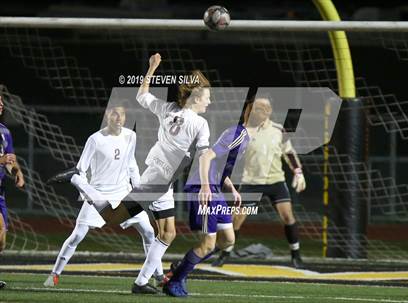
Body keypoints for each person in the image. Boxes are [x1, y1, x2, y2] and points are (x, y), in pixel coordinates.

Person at [86, 53, 212, 295]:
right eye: (207, 97)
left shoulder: (168, 108)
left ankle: (141, 283)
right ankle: (81, 182)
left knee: (167, 233)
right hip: (156, 183)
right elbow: (204, 156)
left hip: (160, 181)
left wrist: (152, 67)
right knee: (110, 219)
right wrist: (206, 186)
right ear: (196, 97)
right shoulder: (199, 124)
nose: (209, 102)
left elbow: (141, 95)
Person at [43, 103, 165, 287]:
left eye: (122, 115)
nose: (119, 118)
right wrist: (86, 193)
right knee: (77, 235)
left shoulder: (130, 136)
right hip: (99, 193)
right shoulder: (95, 139)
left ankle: (159, 276)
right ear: (107, 116)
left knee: (149, 232)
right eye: (115, 114)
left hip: (124, 193)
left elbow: (131, 164)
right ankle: (54, 274)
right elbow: (80, 169)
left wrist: (139, 190)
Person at [163, 106, 254, 297]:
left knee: (228, 240)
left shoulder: (245, 138)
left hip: (216, 190)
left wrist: (231, 188)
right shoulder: (238, 133)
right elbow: (206, 157)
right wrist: (205, 186)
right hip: (205, 190)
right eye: (259, 109)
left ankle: (181, 267)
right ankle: (174, 281)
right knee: (208, 244)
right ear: (248, 112)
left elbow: (218, 167)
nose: (265, 114)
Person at [212, 97, 307, 269]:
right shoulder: (244, 132)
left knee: (288, 216)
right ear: (252, 110)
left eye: (264, 107)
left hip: (275, 181)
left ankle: (296, 256)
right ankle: (225, 254)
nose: (261, 110)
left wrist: (298, 172)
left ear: (270, 110)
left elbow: (289, 153)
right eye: (257, 107)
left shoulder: (279, 130)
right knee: (236, 219)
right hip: (251, 182)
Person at [0, 95, 25, 289]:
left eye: (1, 102)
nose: (1, 105)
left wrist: (17, 172)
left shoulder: (4, 132)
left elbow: (9, 160)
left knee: (1, 239)